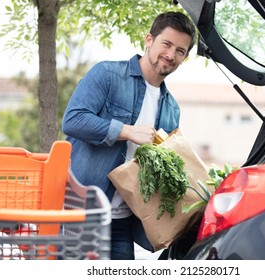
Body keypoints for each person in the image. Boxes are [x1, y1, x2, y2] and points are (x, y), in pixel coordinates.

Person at [62, 11, 196, 260]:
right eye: (166, 44)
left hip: (123, 222)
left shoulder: (172, 109)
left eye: (180, 50)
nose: (171, 54)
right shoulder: (107, 75)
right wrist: (125, 131)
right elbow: (73, 120)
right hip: (79, 215)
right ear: (149, 40)